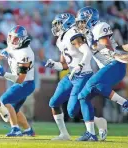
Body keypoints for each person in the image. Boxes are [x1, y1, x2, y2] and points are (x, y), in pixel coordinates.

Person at [45, 13, 107, 141]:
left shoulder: (72, 33)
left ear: (66, 23)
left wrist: (80, 65)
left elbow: (87, 52)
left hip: (83, 74)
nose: (56, 27)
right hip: (71, 75)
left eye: (58, 24)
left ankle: (97, 124)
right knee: (54, 102)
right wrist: (53, 64)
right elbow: (64, 65)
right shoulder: (60, 40)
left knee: (72, 111)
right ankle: (64, 134)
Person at [76, 6, 128, 141]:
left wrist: (96, 45)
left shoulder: (100, 26)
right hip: (106, 68)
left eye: (82, 21)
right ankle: (91, 133)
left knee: (93, 83)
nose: (80, 24)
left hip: (115, 64)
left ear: (90, 19)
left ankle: (124, 103)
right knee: (83, 96)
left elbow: (107, 44)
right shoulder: (88, 33)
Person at [0, 25, 35, 137]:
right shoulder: (13, 47)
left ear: (22, 39)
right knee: (14, 109)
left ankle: (15, 129)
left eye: (15, 38)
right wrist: (1, 53)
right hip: (22, 83)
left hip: (25, 84)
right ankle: (28, 130)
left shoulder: (25, 54)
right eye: (10, 37)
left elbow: (20, 79)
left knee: (4, 101)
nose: (12, 40)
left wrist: (4, 74)